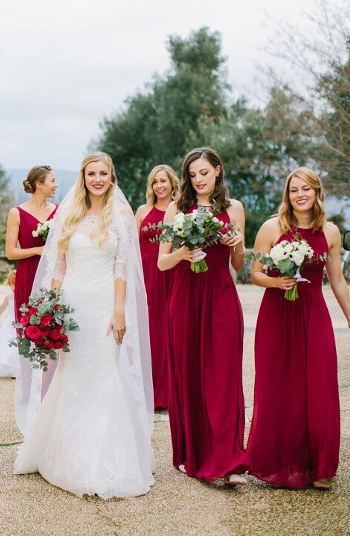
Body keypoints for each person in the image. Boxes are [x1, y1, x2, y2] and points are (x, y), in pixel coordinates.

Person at [13, 152, 155, 499]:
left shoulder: (121, 214)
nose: (97, 179)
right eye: (91, 173)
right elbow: (58, 267)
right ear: (83, 176)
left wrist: (120, 310)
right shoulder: (69, 213)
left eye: (103, 173)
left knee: (107, 371)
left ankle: (106, 457)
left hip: (105, 304)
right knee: (72, 374)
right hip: (72, 306)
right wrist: (48, 309)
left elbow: (121, 267)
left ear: (111, 176)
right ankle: (67, 452)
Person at [247, 167, 350, 490]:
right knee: (279, 387)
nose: (300, 195)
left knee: (319, 386)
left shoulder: (330, 231)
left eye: (306, 189)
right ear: (288, 195)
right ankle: (280, 462)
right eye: (294, 190)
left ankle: (320, 466)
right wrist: (276, 280)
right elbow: (255, 273)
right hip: (276, 314)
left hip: (313, 313)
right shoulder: (272, 227)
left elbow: (337, 279)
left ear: (316, 192)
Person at [157, 147, 249, 485]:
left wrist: (238, 244)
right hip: (185, 299)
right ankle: (199, 456)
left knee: (223, 378)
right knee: (191, 376)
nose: (198, 180)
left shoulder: (234, 208)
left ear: (218, 171)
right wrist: (183, 252)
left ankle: (229, 461)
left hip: (222, 297)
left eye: (204, 173)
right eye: (193, 174)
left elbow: (238, 265)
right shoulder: (175, 209)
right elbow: (161, 263)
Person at [6, 165, 58, 432]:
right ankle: (28, 390)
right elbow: (11, 251)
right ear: (39, 184)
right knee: (28, 335)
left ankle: (48, 391)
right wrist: (38, 249)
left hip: (51, 278)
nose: (56, 185)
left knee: (52, 333)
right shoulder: (17, 213)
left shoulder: (59, 212)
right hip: (27, 276)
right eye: (52, 181)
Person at [135, 165, 180, 410]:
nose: (159, 186)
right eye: (155, 182)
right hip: (145, 277)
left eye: (163, 181)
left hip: (171, 275)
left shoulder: (181, 210)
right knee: (148, 333)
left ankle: (169, 394)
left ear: (173, 183)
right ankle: (147, 393)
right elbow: (130, 246)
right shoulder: (143, 211)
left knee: (169, 333)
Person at [0, 270, 19, 378]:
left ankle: (17, 369)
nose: (13, 287)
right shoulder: (9, 297)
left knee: (17, 345)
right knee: (6, 344)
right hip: (9, 324)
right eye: (11, 284)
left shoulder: (25, 295)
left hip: (19, 323)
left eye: (15, 284)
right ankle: (6, 364)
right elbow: (2, 307)